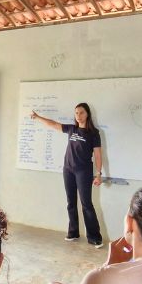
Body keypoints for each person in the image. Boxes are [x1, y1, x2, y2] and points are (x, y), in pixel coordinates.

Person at [30, 103, 104, 247]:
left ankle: (94, 237)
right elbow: (53, 124)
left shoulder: (93, 133)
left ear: (87, 114)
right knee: (71, 202)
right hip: (68, 170)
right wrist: (38, 117)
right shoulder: (72, 129)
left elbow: (98, 155)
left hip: (84, 171)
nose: (78, 115)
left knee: (86, 203)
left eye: (81, 112)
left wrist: (98, 174)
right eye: (76, 113)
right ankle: (73, 232)